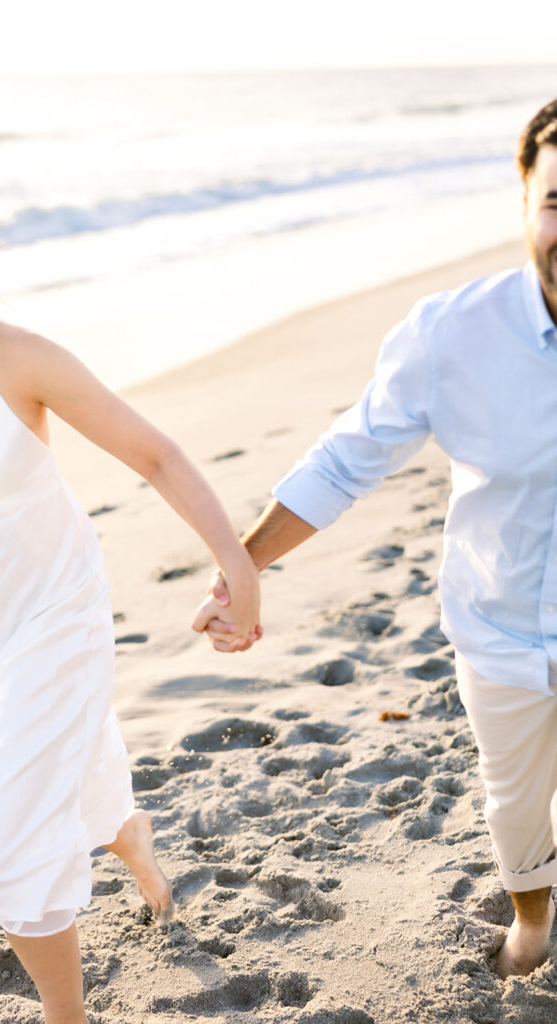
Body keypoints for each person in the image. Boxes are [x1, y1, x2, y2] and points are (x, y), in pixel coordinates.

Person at [0, 160, 260, 1024]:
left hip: (57, 607)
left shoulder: (15, 357)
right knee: (62, 777)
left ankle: (66, 1017)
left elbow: (155, 454)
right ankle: (141, 854)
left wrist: (237, 567)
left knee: (0, 839)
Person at [193, 98, 557, 980]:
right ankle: (535, 925)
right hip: (501, 625)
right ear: (521, 200)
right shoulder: (449, 335)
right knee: (514, 806)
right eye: (556, 202)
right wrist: (240, 567)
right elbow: (342, 462)